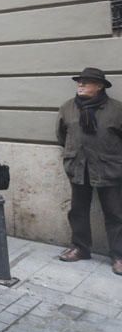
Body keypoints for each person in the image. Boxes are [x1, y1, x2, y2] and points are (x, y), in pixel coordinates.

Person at [56, 67, 122, 276]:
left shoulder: (116, 109)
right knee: (78, 211)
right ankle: (80, 248)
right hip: (78, 167)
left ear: (100, 86)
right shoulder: (68, 108)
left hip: (108, 168)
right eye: (79, 81)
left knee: (114, 213)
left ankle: (119, 256)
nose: (80, 85)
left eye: (86, 82)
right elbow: (61, 135)